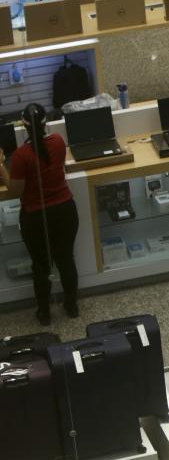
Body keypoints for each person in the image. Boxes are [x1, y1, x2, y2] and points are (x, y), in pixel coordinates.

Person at [0, 103, 79, 325]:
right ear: (46, 123)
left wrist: (1, 167)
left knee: (41, 265)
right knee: (66, 259)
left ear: (24, 126)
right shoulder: (58, 142)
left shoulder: (21, 155)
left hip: (36, 218)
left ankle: (44, 313)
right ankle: (72, 306)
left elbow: (16, 190)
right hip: (65, 211)